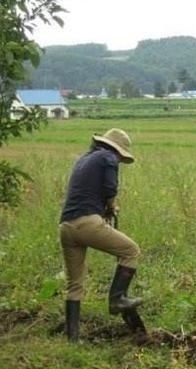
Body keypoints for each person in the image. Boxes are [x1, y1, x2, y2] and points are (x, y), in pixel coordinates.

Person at [59, 128, 144, 342]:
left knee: (74, 284)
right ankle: (117, 299)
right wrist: (111, 207)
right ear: (117, 150)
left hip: (67, 226)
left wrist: (103, 210)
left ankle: (72, 340)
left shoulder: (84, 159)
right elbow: (109, 188)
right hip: (87, 223)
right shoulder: (108, 158)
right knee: (130, 251)